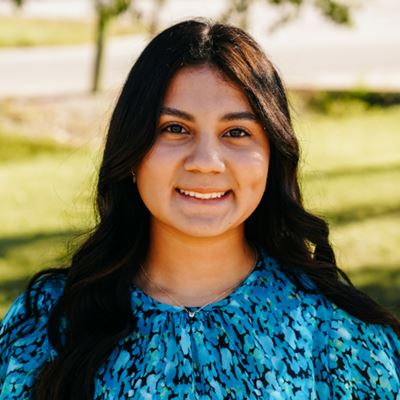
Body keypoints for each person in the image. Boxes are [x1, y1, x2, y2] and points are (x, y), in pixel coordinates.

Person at [0, 18, 399, 400]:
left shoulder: (336, 330)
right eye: (175, 129)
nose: (206, 161)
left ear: (271, 156)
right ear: (132, 152)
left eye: (236, 132)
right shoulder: (47, 321)